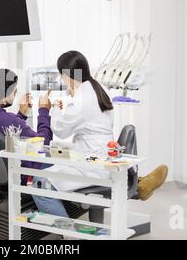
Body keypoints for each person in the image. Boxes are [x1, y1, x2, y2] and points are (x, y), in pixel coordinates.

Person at [31, 51, 168, 217]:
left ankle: (66, 233)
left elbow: (60, 130)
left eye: (62, 75)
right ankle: (137, 184)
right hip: (103, 156)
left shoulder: (81, 98)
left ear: (66, 75)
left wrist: (52, 109)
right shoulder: (98, 87)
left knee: (40, 184)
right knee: (50, 168)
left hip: (91, 165)